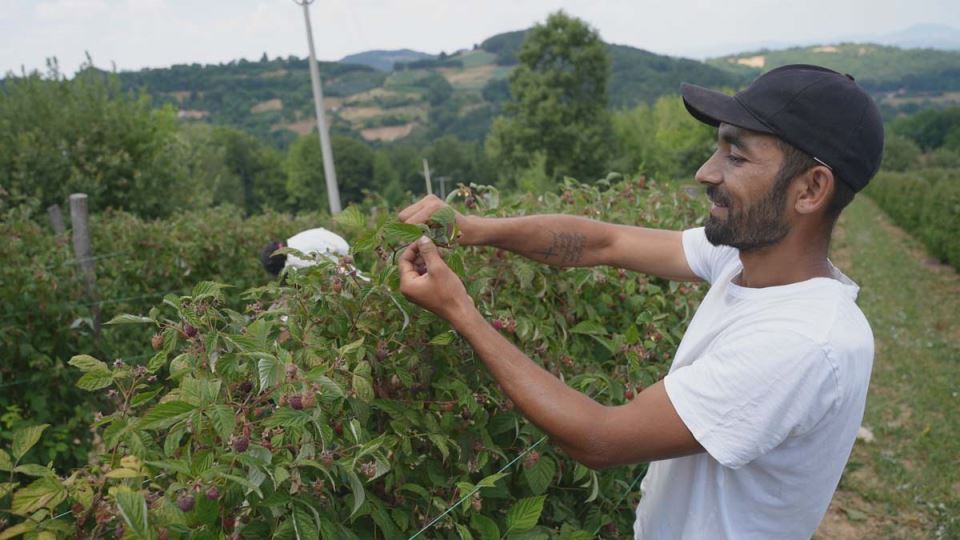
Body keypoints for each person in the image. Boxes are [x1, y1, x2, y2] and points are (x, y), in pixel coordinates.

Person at [395, 64, 883, 539]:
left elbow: (599, 437)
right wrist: (473, 228)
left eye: (736, 157)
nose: (704, 173)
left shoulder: (801, 343)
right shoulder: (746, 259)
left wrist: (461, 311)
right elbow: (603, 243)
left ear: (811, 189)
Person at [260, 227, 350, 277]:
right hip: (342, 248)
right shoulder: (294, 240)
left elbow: (337, 270)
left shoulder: (297, 260)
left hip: (344, 261)